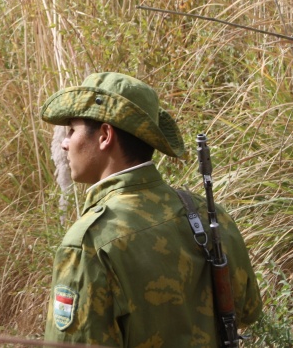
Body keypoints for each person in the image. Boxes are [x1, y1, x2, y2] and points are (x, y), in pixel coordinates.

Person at [40, 72, 262, 347]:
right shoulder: (206, 211)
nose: (65, 142)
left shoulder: (89, 243)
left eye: (72, 131)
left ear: (105, 136)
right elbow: (248, 311)